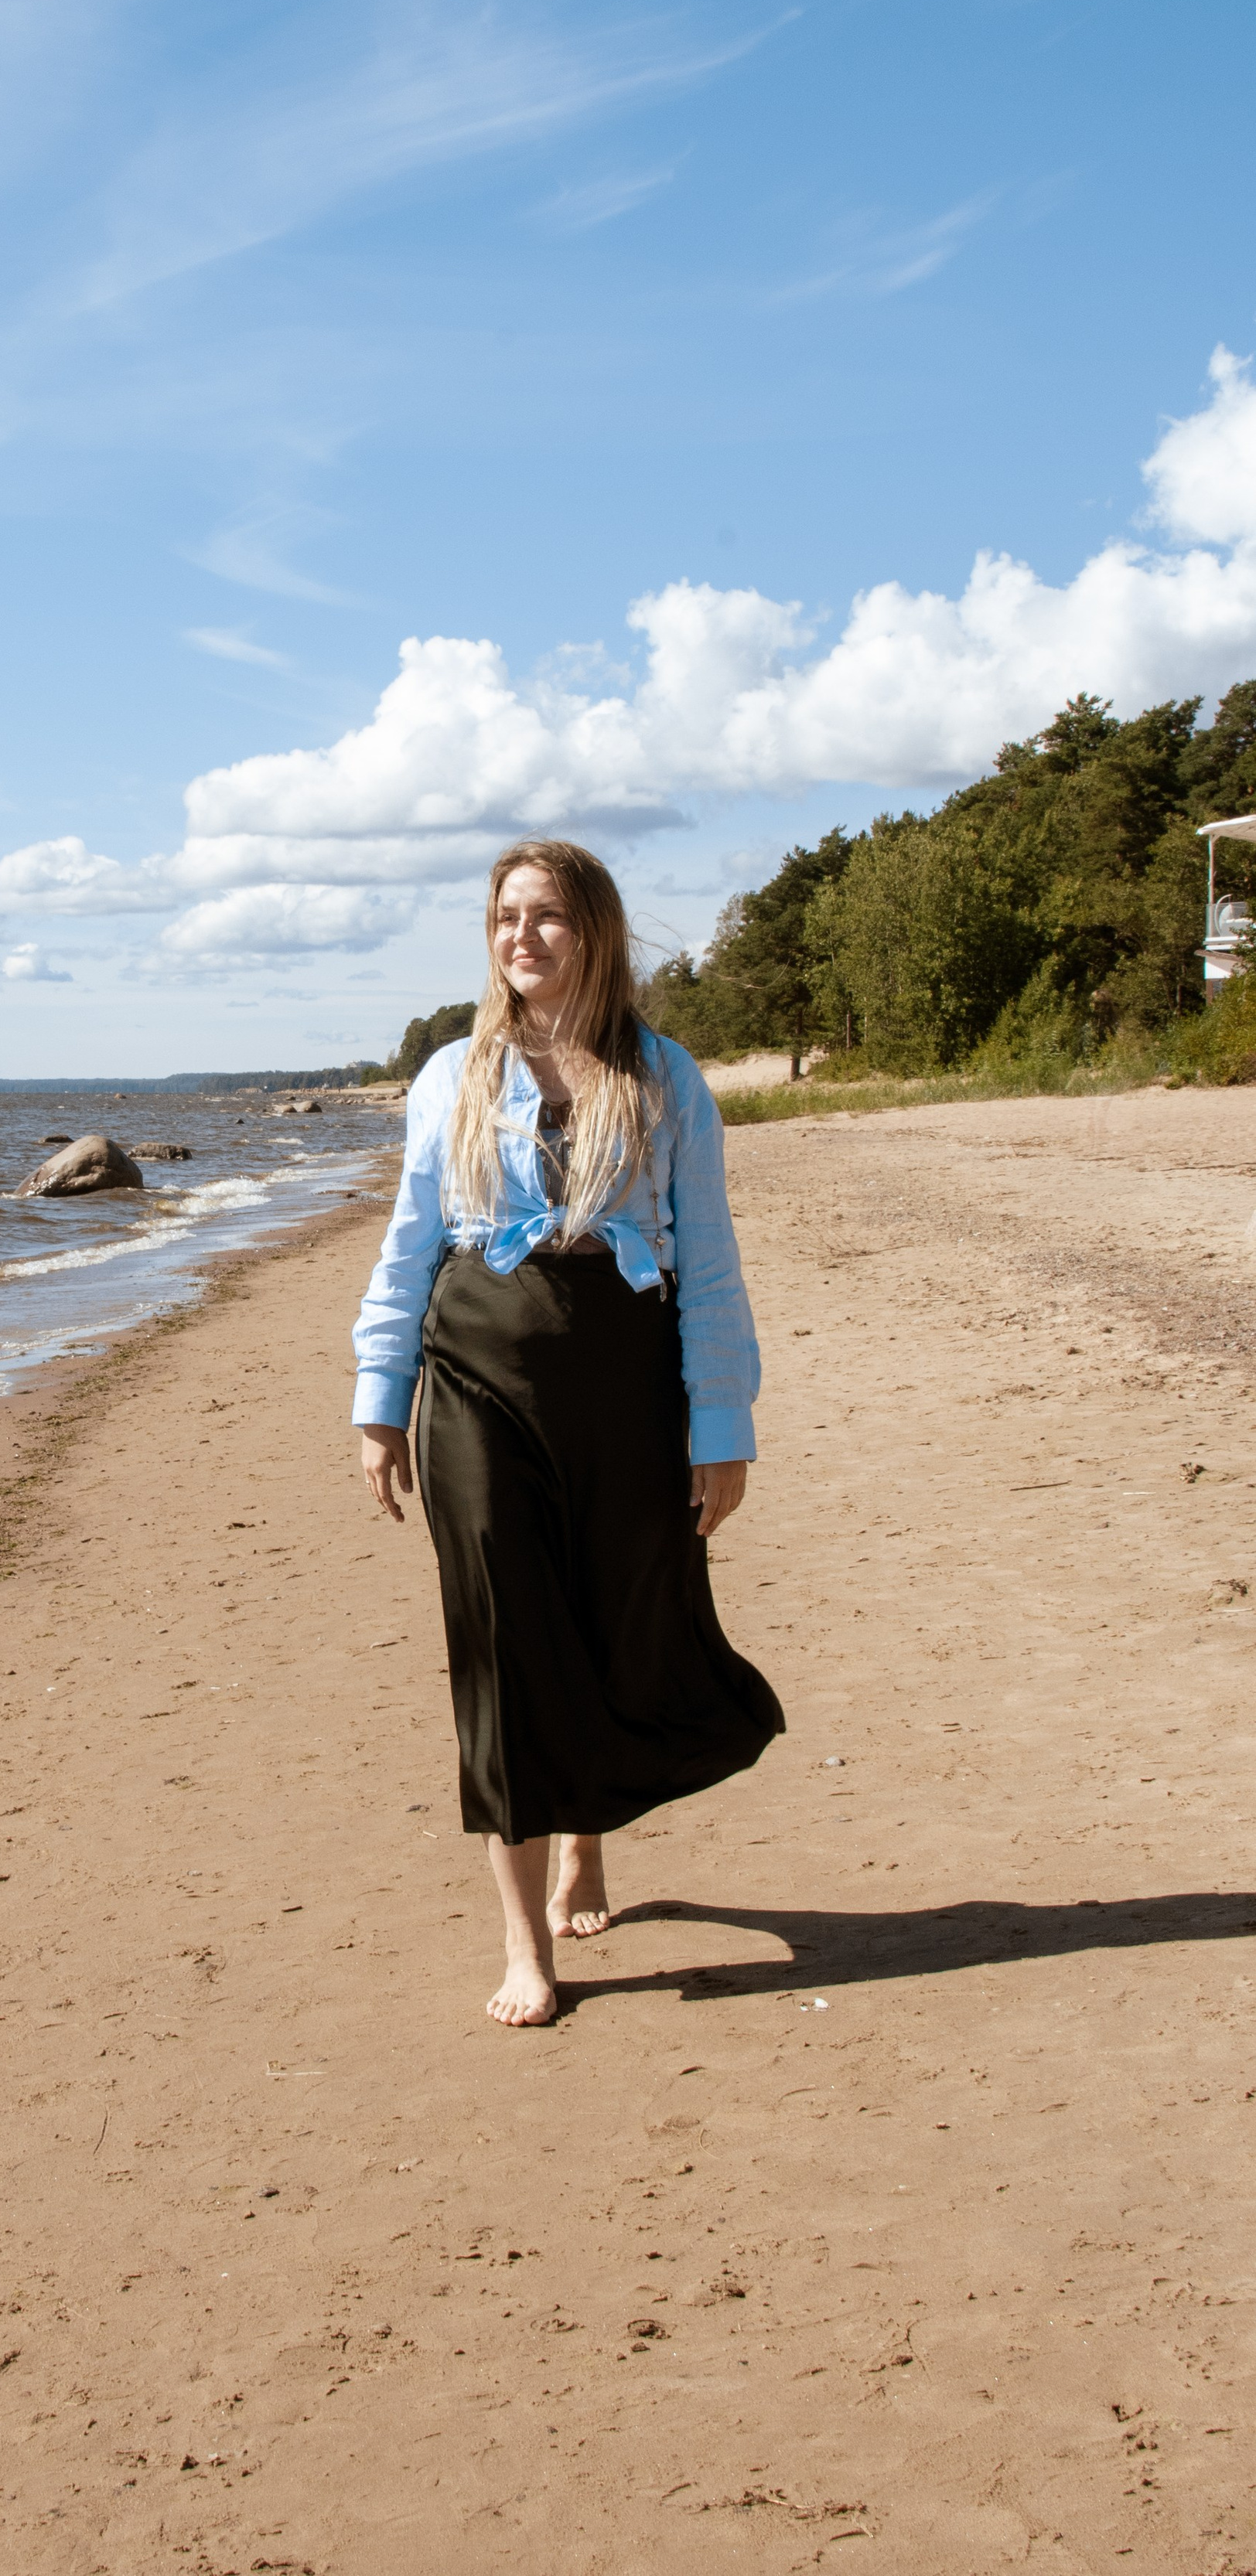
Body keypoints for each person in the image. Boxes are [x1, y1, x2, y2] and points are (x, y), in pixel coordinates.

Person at [352, 838, 783, 2027]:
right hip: (477, 1369)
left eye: (546, 917)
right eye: (504, 916)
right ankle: (523, 1944)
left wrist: (722, 1425)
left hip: (624, 1376)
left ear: (595, 932)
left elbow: (710, 1261)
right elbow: (407, 1247)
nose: (521, 937)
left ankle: (588, 1836)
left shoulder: (663, 1076)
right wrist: (378, 1403)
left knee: (609, 1616)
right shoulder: (452, 1076)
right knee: (502, 1641)